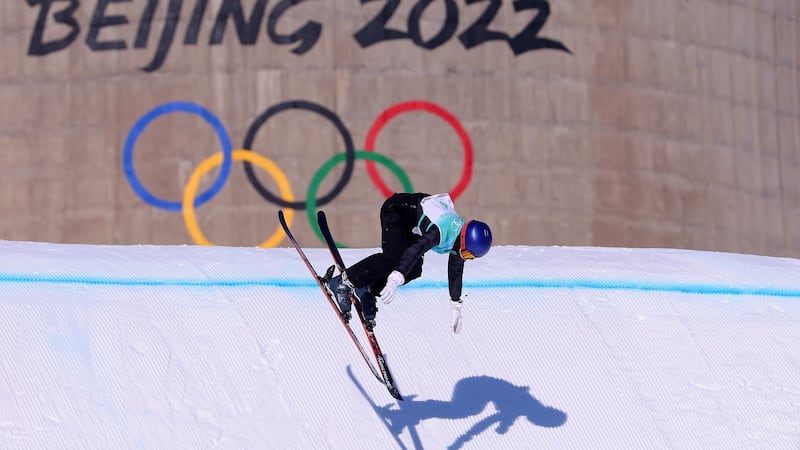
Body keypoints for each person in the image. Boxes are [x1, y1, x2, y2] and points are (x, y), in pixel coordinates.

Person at [325, 192, 492, 333]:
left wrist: (455, 305)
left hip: (412, 223)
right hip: (397, 209)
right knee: (394, 260)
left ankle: (366, 286)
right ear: (464, 239)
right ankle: (343, 282)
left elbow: (455, 271)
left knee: (414, 270)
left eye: (471, 257)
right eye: (469, 253)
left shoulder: (461, 241)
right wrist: (395, 277)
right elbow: (416, 250)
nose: (466, 257)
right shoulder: (442, 231)